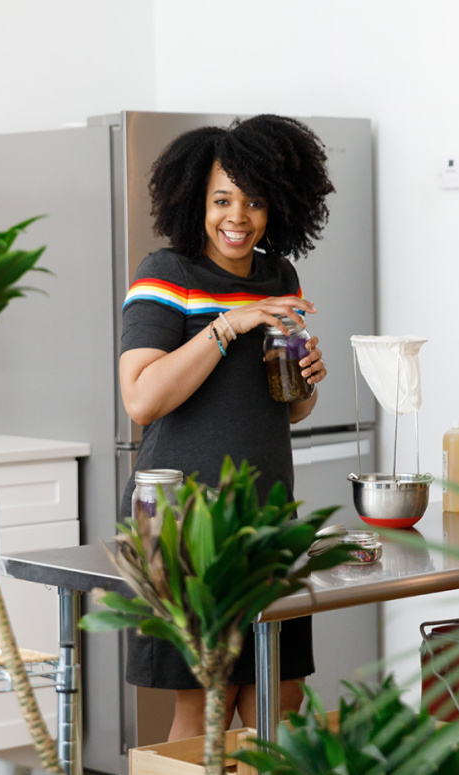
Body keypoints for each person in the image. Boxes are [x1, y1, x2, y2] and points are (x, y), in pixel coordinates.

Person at [117, 114, 335, 740]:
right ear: (197, 201)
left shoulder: (279, 276)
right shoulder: (167, 273)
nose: (237, 217)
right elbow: (141, 398)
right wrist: (230, 324)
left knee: (278, 700)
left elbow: (286, 408)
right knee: (202, 708)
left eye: (254, 201)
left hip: (266, 518)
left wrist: (305, 380)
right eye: (222, 199)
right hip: (186, 527)